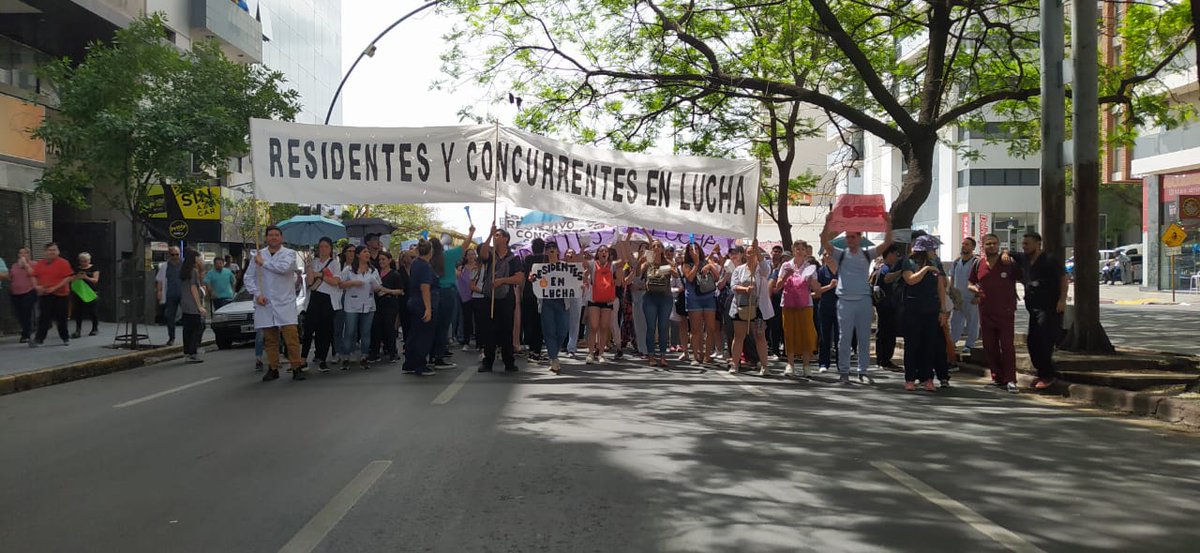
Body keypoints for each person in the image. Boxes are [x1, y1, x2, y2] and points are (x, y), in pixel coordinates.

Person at [820, 211, 894, 383]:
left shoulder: (868, 253)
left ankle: (863, 372)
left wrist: (888, 223)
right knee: (844, 338)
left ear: (859, 238)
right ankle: (844, 372)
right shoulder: (840, 253)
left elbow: (888, 242)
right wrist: (827, 223)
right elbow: (824, 242)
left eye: (852, 237)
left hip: (863, 301)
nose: (849, 239)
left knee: (863, 338)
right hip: (845, 301)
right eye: (848, 237)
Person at [244, 226, 307, 381]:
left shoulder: (289, 254)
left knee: (291, 337)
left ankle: (296, 366)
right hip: (265, 302)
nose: (273, 237)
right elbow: (248, 277)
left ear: (281, 237)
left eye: (276, 235)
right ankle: (273, 367)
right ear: (266, 238)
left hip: (284, 301)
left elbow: (283, 269)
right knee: (270, 339)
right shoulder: (257, 255)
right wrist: (257, 294)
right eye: (270, 235)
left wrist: (263, 263)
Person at [1013, 232, 1068, 390]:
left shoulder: (1050, 260)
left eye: (1027, 244)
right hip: (1033, 308)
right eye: (1023, 244)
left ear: (1038, 244)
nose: (1024, 247)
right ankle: (1041, 372)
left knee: (1045, 341)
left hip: (1049, 307)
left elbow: (1063, 279)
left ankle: (1048, 375)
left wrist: (1062, 300)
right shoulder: (1024, 259)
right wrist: (1004, 255)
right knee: (1032, 342)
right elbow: (1008, 255)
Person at [969, 233, 1020, 393]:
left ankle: (1010, 379)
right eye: (988, 243)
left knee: (1007, 346)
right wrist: (974, 289)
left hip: (1005, 311)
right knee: (989, 346)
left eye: (994, 243)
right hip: (985, 311)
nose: (991, 246)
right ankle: (997, 377)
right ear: (983, 246)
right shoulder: (978, 264)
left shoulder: (1008, 262)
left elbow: (1023, 274)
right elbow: (971, 282)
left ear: (999, 245)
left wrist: (1008, 254)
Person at [900, 235, 951, 391]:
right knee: (912, 344)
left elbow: (941, 287)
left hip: (931, 308)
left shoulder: (936, 263)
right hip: (913, 308)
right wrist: (926, 269)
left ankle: (927, 377)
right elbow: (910, 280)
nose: (934, 252)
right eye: (931, 249)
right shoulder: (909, 262)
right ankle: (910, 378)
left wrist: (943, 309)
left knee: (929, 345)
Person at [477, 226, 525, 372]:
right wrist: (489, 235)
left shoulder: (514, 258)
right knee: (489, 331)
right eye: (495, 235)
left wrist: (503, 280)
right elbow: (482, 253)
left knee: (506, 330)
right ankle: (488, 361)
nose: (495, 237)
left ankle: (508, 361)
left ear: (506, 239)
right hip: (489, 297)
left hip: (505, 299)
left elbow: (519, 278)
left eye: (498, 235)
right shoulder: (491, 255)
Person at [774, 240, 822, 377]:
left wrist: (810, 281)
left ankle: (806, 366)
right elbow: (777, 287)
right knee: (789, 333)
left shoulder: (810, 267)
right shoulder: (786, 265)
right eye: (797, 249)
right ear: (793, 250)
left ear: (806, 251)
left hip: (805, 304)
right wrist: (786, 276)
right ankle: (790, 364)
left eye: (802, 249)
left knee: (806, 334)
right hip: (788, 303)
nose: (800, 251)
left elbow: (816, 288)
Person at [728, 239, 774, 375]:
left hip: (758, 308)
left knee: (760, 336)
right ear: (744, 255)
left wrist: (757, 249)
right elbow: (733, 286)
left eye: (754, 252)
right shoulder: (739, 270)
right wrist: (745, 289)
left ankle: (765, 366)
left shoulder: (762, 269)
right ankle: (734, 364)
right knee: (739, 336)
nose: (751, 254)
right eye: (748, 252)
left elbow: (766, 270)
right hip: (741, 306)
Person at [340, 245, 386, 370]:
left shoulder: (373, 270)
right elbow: (341, 284)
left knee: (366, 332)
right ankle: (346, 356)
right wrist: (352, 283)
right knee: (349, 331)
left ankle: (364, 356)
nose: (367, 254)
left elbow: (379, 287)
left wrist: (376, 286)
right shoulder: (349, 269)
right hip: (352, 305)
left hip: (369, 304)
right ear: (358, 255)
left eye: (368, 252)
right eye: (364, 252)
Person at [301, 237, 342, 372]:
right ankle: (303, 358)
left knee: (325, 331)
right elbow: (310, 283)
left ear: (330, 248)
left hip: (328, 298)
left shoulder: (334, 264)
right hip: (315, 297)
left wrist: (321, 275)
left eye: (325, 246)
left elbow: (336, 281)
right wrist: (309, 269)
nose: (323, 249)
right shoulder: (314, 262)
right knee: (308, 328)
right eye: (321, 246)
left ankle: (322, 359)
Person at [531, 241, 570, 374]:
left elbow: (574, 281)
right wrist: (532, 278)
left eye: (554, 247)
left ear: (558, 251)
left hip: (562, 302)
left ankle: (554, 352)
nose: (552, 250)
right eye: (549, 248)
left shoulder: (566, 266)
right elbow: (535, 281)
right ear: (545, 252)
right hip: (547, 302)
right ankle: (554, 358)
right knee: (549, 331)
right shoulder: (540, 268)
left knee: (563, 330)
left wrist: (580, 285)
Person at [681, 243, 719, 365]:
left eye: (696, 248)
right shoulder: (686, 265)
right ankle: (696, 356)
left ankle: (707, 355)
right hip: (694, 299)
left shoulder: (707, 261)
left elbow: (717, 278)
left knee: (711, 328)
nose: (695, 251)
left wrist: (710, 267)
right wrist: (696, 263)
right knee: (696, 329)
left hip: (709, 298)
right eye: (691, 249)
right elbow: (690, 278)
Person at [30, 242, 75, 347]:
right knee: (43, 317)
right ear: (45, 252)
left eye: (54, 250)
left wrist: (55, 288)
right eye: (50, 250)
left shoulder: (63, 263)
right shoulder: (40, 264)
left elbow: (68, 277)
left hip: (60, 295)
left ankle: (65, 337)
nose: (52, 252)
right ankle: (39, 339)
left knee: (61, 318)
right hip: (45, 295)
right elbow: (33, 275)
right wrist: (37, 286)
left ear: (58, 251)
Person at [585, 245, 623, 364]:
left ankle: (601, 354)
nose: (603, 252)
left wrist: (621, 242)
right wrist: (582, 249)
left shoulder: (612, 265)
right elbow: (580, 262)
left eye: (606, 251)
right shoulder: (592, 264)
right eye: (601, 251)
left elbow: (624, 261)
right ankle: (590, 353)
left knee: (604, 327)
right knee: (594, 326)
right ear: (597, 253)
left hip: (608, 300)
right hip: (594, 299)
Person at [639, 240, 675, 367]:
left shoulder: (668, 262)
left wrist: (667, 268)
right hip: (650, 297)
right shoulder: (647, 262)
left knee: (663, 327)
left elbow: (676, 275)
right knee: (651, 327)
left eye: (658, 246)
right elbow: (638, 273)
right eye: (653, 246)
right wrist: (641, 260)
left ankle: (663, 355)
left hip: (665, 297)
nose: (655, 248)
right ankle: (651, 355)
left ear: (662, 249)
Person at [404, 240, 437, 376]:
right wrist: (428, 309)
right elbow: (425, 288)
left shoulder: (416, 263)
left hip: (414, 301)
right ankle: (419, 364)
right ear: (431, 251)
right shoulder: (424, 266)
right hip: (421, 303)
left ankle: (410, 363)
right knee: (423, 335)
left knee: (414, 333)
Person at [871, 245, 903, 369]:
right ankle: (884, 359)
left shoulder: (888, 267)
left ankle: (882, 358)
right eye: (895, 254)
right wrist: (900, 272)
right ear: (889, 254)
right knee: (887, 332)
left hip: (889, 305)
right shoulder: (885, 269)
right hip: (886, 305)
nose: (896, 257)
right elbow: (885, 281)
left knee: (885, 332)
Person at [370, 251, 405, 363]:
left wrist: (386, 290)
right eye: (380, 260)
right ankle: (374, 352)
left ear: (389, 260)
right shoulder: (375, 273)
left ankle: (392, 352)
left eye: (383, 259)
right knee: (376, 328)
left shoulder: (395, 274)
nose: (381, 262)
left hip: (390, 304)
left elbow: (400, 291)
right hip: (377, 304)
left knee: (389, 328)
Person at [948, 237, 981, 357]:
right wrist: (951, 293)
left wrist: (978, 295)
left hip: (971, 298)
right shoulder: (956, 262)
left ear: (972, 247)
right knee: (955, 321)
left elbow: (981, 280)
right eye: (963, 244)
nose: (964, 246)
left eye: (967, 244)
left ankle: (969, 344)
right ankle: (952, 342)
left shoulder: (976, 262)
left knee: (972, 322)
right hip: (958, 298)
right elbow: (952, 278)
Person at [178, 248, 207, 363]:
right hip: (192, 303)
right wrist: (199, 306)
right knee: (197, 328)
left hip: (184, 303)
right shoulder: (193, 271)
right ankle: (193, 352)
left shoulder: (184, 270)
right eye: (198, 257)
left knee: (187, 329)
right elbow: (194, 288)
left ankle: (187, 352)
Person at [815, 251, 839, 372]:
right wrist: (830, 286)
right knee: (825, 336)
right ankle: (823, 363)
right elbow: (816, 292)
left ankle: (842, 364)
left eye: (829, 253)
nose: (827, 256)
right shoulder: (821, 271)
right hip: (825, 307)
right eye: (824, 254)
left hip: (841, 308)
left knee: (840, 337)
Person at [6, 247, 37, 342]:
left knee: (26, 312)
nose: (23, 255)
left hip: (29, 291)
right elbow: (10, 277)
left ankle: (26, 334)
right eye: (20, 253)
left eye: (25, 253)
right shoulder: (15, 265)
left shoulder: (34, 264)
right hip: (15, 293)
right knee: (18, 314)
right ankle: (26, 329)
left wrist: (26, 265)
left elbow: (34, 274)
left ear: (29, 255)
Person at [155, 246, 183, 346]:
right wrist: (159, 291)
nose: (175, 257)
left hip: (183, 294)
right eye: (173, 255)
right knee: (170, 316)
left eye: (177, 254)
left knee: (188, 315)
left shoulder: (183, 265)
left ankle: (189, 337)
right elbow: (159, 280)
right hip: (170, 294)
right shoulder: (165, 266)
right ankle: (171, 337)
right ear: (169, 255)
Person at [70, 252, 100, 338]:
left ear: (89, 260)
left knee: (93, 311)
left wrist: (86, 277)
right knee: (78, 312)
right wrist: (76, 277)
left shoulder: (94, 268)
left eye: (86, 261)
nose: (84, 263)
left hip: (91, 292)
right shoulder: (76, 269)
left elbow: (95, 280)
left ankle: (95, 328)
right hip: (79, 292)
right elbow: (71, 279)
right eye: (82, 261)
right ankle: (78, 330)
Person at [457, 248, 480, 351]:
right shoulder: (462, 268)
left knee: (478, 319)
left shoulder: (479, 267)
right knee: (467, 319)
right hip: (465, 296)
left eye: (473, 254)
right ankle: (466, 341)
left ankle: (479, 343)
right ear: (466, 257)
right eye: (469, 255)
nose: (471, 256)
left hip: (477, 295)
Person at [767, 244, 786, 359]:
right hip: (771, 299)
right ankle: (773, 349)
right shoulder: (767, 266)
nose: (777, 253)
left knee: (782, 326)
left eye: (779, 251)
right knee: (772, 325)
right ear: (772, 253)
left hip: (783, 299)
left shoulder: (783, 268)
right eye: (775, 251)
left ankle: (783, 349)